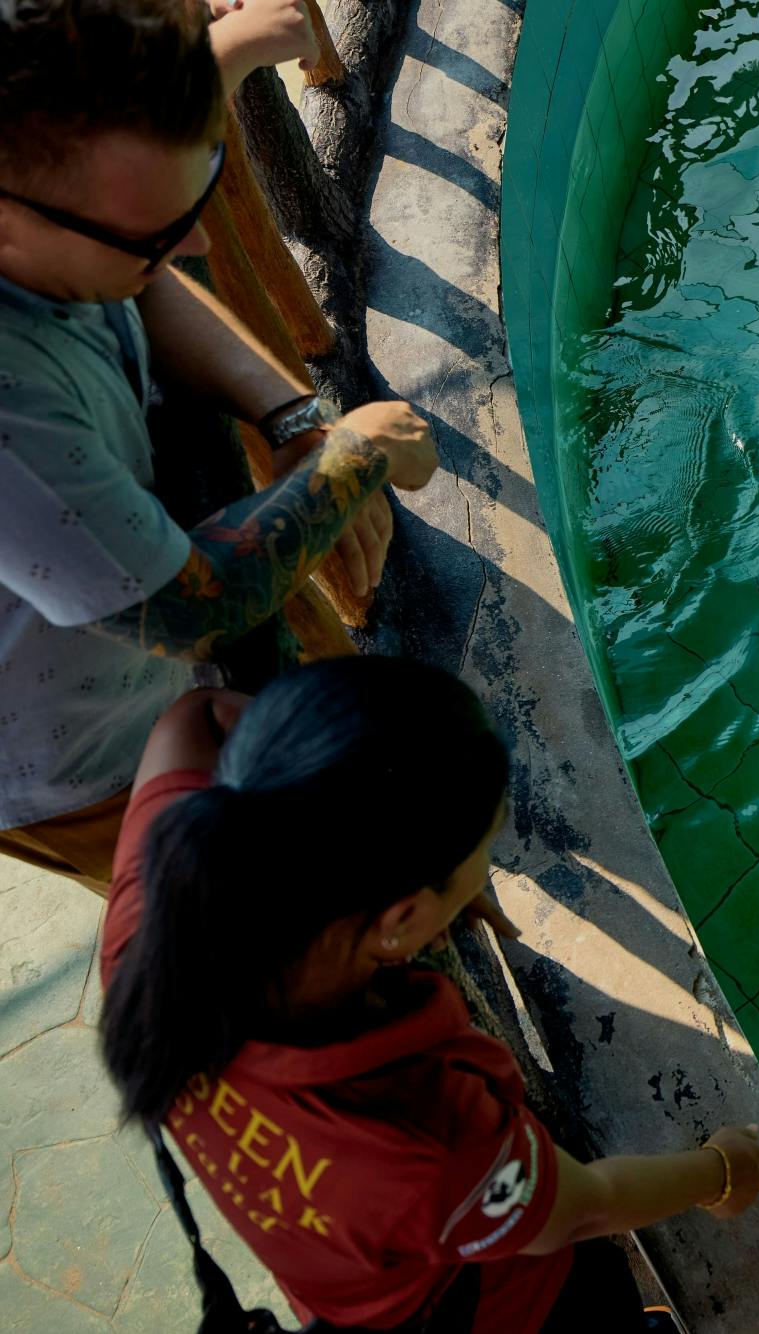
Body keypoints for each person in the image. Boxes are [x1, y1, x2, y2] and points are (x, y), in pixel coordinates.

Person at [99, 657, 759, 1331]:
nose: (485, 866)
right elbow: (583, 1210)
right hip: (507, 1310)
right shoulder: (427, 1138)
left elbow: (196, 717)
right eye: (481, 851)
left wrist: (376, 849)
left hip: (350, 1271)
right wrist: (722, 1169)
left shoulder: (146, 925)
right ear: (401, 920)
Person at [0, 0, 430, 891]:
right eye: (162, 231)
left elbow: (140, 279)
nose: (198, 241)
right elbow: (194, 606)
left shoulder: (62, 219)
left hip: (130, 656)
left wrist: (287, 417)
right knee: (249, 913)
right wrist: (360, 452)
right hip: (79, 763)